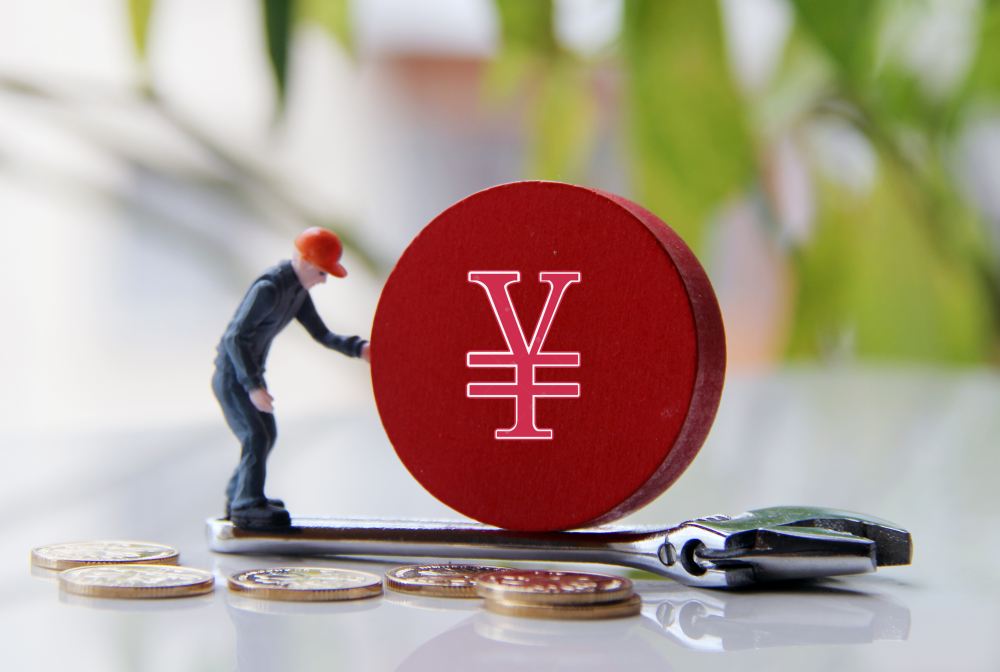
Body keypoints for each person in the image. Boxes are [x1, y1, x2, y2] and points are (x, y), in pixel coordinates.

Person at [213, 228, 370, 529]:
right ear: (305, 262)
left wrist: (359, 348)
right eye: (322, 272)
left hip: (251, 377)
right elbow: (235, 337)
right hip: (233, 378)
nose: (323, 280)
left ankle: (240, 496)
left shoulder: (297, 293)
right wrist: (253, 386)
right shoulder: (269, 288)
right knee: (255, 436)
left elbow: (322, 334)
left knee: (266, 434)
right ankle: (246, 506)